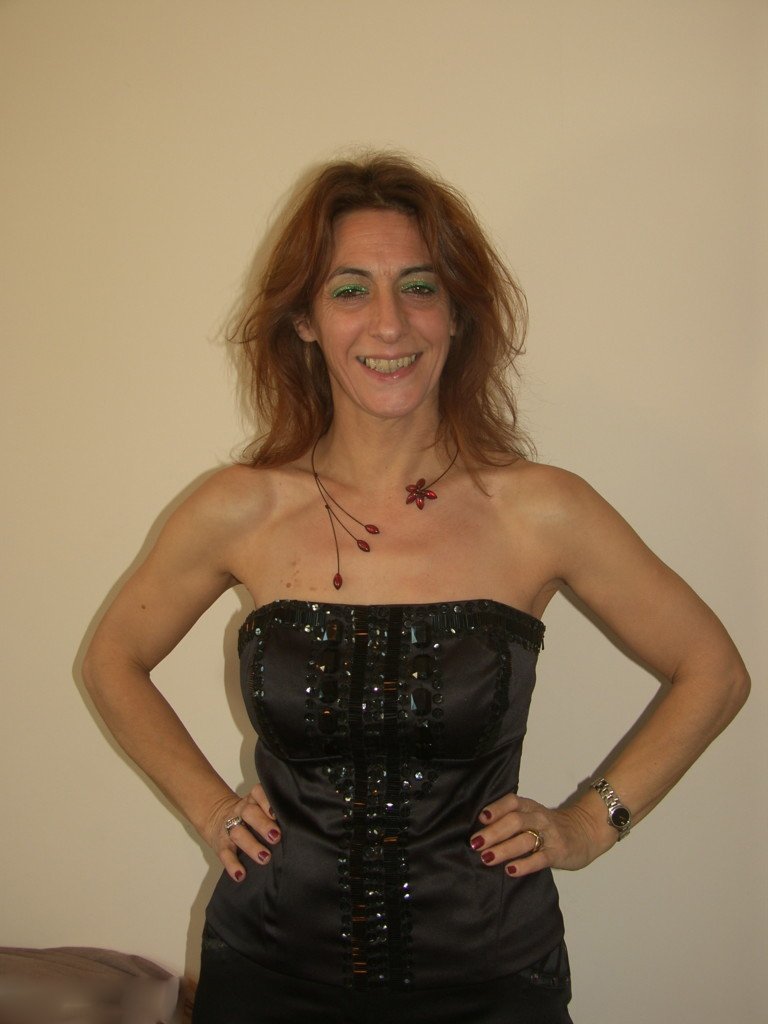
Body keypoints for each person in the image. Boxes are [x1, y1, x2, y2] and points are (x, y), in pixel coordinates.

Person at [82, 154, 749, 1024]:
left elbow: (714, 671)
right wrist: (210, 809)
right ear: (306, 321)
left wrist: (590, 823)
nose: (389, 322)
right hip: (267, 972)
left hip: (492, 980)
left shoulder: (539, 510)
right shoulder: (240, 508)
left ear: (457, 315)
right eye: (350, 290)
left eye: (420, 288)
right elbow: (112, 658)